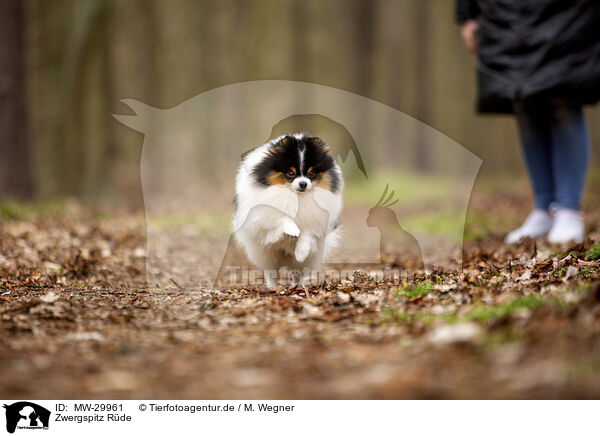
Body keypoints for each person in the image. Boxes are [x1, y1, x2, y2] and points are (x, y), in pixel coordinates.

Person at [456, 0, 600, 243]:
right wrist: (467, 13)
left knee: (562, 95)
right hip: (503, 12)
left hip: (565, 11)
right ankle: (543, 208)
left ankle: (568, 208)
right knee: (522, 101)